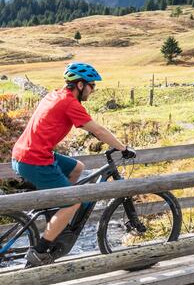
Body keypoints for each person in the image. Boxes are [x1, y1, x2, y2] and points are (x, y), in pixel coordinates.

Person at [11, 62, 135, 267]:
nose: (93, 90)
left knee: (77, 167)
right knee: (74, 202)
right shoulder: (70, 103)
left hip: (25, 154)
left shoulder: (55, 95)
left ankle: (57, 215)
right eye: (91, 85)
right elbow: (98, 131)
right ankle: (41, 251)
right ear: (79, 85)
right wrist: (123, 148)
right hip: (35, 159)